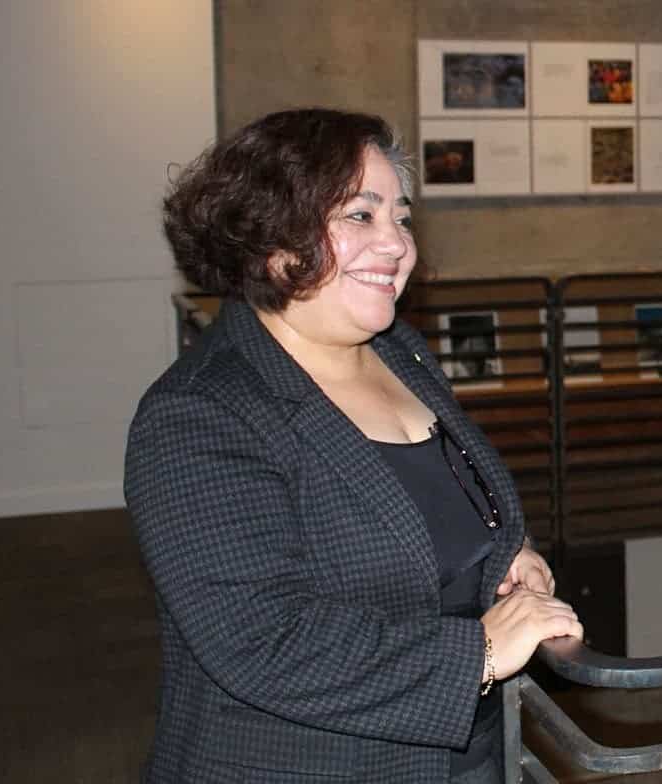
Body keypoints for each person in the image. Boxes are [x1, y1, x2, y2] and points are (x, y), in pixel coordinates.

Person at [125, 108, 583, 782]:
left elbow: (430, 512)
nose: (396, 243)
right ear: (271, 240)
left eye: (401, 217)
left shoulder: (401, 353)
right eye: (361, 216)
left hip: (466, 756)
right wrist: (481, 651)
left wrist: (505, 552)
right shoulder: (200, 413)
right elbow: (262, 640)